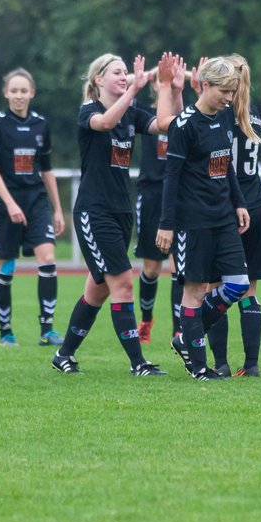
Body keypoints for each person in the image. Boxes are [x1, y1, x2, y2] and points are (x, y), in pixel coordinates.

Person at [50, 53, 179, 376]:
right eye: (117, 73)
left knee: (98, 291)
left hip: (122, 212)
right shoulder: (89, 111)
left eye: (126, 72)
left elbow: (167, 125)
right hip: (95, 213)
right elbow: (106, 122)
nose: (123, 77)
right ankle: (139, 363)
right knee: (123, 284)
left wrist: (170, 89)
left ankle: (64, 354)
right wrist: (134, 89)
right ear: (98, 80)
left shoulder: (131, 113)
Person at [155, 55, 251, 381]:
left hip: (223, 216)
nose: (229, 98)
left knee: (237, 284)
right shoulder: (183, 125)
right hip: (192, 221)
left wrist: (238, 203)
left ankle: (187, 336)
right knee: (193, 292)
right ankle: (199, 368)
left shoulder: (224, 119)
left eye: (232, 91)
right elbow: (171, 177)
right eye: (224, 90)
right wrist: (166, 224)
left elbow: (228, 168)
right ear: (204, 85)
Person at [0, 68, 66, 347]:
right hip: (6, 204)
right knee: (6, 267)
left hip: (36, 201)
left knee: (48, 260)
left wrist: (57, 209)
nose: (19, 96)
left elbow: (47, 170)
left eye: (24, 91)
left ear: (32, 93)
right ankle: (5, 331)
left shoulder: (41, 125)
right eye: (14, 91)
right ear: (6, 93)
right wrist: (9, 203)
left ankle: (48, 330)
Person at [204, 54, 261, 377]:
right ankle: (252, 365)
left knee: (216, 287)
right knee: (249, 292)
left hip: (228, 205)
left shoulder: (221, 112)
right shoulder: (253, 112)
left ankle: (221, 364)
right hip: (257, 204)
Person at [132, 59, 187, 344]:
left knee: (181, 267)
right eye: (160, 80)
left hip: (180, 196)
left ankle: (179, 327)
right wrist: (145, 76)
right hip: (152, 195)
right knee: (152, 268)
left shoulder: (186, 116)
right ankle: (146, 319)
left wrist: (182, 82)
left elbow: (178, 120)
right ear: (153, 84)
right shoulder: (143, 115)